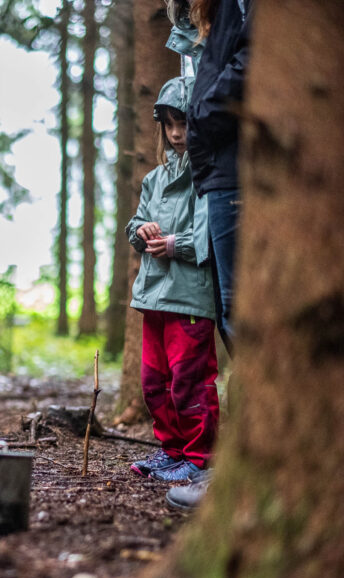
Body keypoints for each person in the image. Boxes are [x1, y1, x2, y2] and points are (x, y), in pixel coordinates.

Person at [125, 77, 220, 484]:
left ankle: (200, 458)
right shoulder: (155, 179)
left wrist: (174, 245)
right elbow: (135, 222)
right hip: (154, 297)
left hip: (191, 298)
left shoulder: (210, 176)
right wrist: (141, 232)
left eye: (184, 123)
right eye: (169, 124)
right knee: (154, 382)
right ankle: (172, 451)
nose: (177, 133)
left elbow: (210, 237)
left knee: (190, 381)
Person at [186, 0, 252, 352]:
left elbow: (252, 56)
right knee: (229, 310)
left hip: (232, 171)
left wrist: (202, 115)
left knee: (237, 308)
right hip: (219, 173)